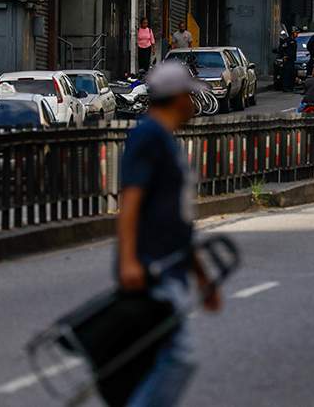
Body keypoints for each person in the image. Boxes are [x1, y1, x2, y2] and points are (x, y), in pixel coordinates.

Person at [117, 60, 222, 407]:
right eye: (189, 97)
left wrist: (202, 277)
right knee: (179, 358)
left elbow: (178, 220)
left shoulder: (164, 140)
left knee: (155, 358)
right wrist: (129, 261)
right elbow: (131, 202)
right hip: (153, 267)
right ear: (176, 98)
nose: (193, 104)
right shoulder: (148, 137)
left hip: (170, 264)